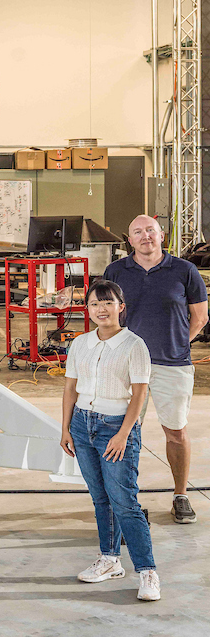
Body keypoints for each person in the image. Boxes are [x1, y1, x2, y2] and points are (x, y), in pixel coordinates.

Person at [60, 280, 160, 601]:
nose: (101, 309)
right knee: (100, 498)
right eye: (94, 304)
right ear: (87, 309)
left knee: (125, 502)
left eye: (108, 303)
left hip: (116, 426)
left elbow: (140, 394)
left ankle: (147, 572)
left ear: (121, 306)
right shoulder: (80, 344)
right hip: (81, 426)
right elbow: (70, 388)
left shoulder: (134, 345)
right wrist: (65, 428)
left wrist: (123, 433)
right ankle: (110, 559)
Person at [104, 215, 208, 523]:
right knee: (124, 432)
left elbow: (200, 318)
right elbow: (105, 314)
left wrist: (177, 344)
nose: (145, 236)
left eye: (150, 230)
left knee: (175, 431)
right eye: (138, 232)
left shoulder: (185, 271)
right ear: (130, 240)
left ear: (161, 234)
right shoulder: (116, 271)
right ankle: (126, 500)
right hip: (126, 367)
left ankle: (180, 495)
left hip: (172, 364)